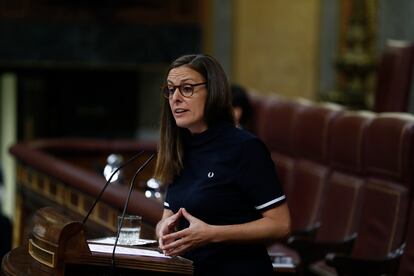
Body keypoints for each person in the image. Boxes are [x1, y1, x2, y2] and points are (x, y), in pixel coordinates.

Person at [154, 54, 291, 275]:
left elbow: (280, 225)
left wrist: (211, 234)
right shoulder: (181, 148)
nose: (175, 98)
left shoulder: (245, 148)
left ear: (213, 92)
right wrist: (163, 231)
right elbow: (167, 217)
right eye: (170, 90)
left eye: (187, 88)